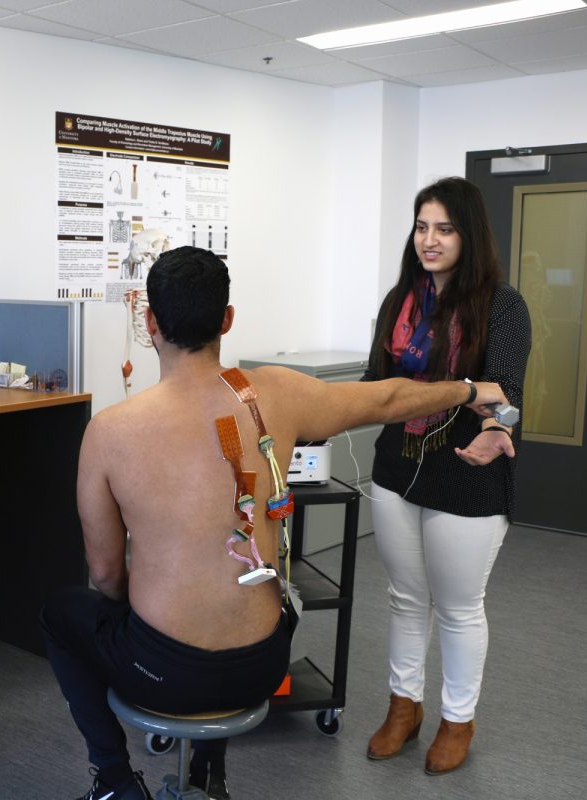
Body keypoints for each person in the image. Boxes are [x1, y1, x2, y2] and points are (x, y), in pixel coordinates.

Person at [40, 245, 511, 800]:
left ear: (150, 324)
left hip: (164, 674)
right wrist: (469, 389)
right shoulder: (276, 394)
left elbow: (105, 574)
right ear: (227, 319)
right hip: (263, 665)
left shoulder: (109, 431)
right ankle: (207, 775)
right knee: (275, 595)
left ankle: (116, 782)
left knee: (61, 615)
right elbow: (388, 398)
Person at [362, 177, 530, 775]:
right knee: (405, 600)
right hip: (396, 473)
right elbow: (374, 386)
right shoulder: (399, 302)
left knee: (459, 607)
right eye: (421, 226)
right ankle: (403, 709)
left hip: (467, 479)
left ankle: (458, 719)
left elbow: (507, 395)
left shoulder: (501, 304)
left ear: (469, 234)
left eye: (445, 228)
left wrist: (499, 430)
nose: (429, 240)